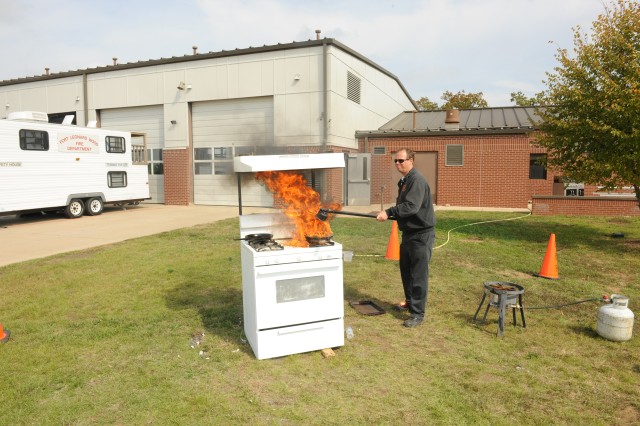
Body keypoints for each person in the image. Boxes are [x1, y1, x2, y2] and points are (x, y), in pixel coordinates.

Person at [376, 148, 435, 328]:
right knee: (406, 272)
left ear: (411, 160)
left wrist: (389, 212)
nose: (398, 164)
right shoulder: (405, 181)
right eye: (396, 161)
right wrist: (395, 215)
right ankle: (410, 303)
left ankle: (417, 314)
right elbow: (405, 207)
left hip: (421, 235)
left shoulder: (416, 180)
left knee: (418, 275)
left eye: (401, 160)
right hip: (409, 234)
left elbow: (411, 207)